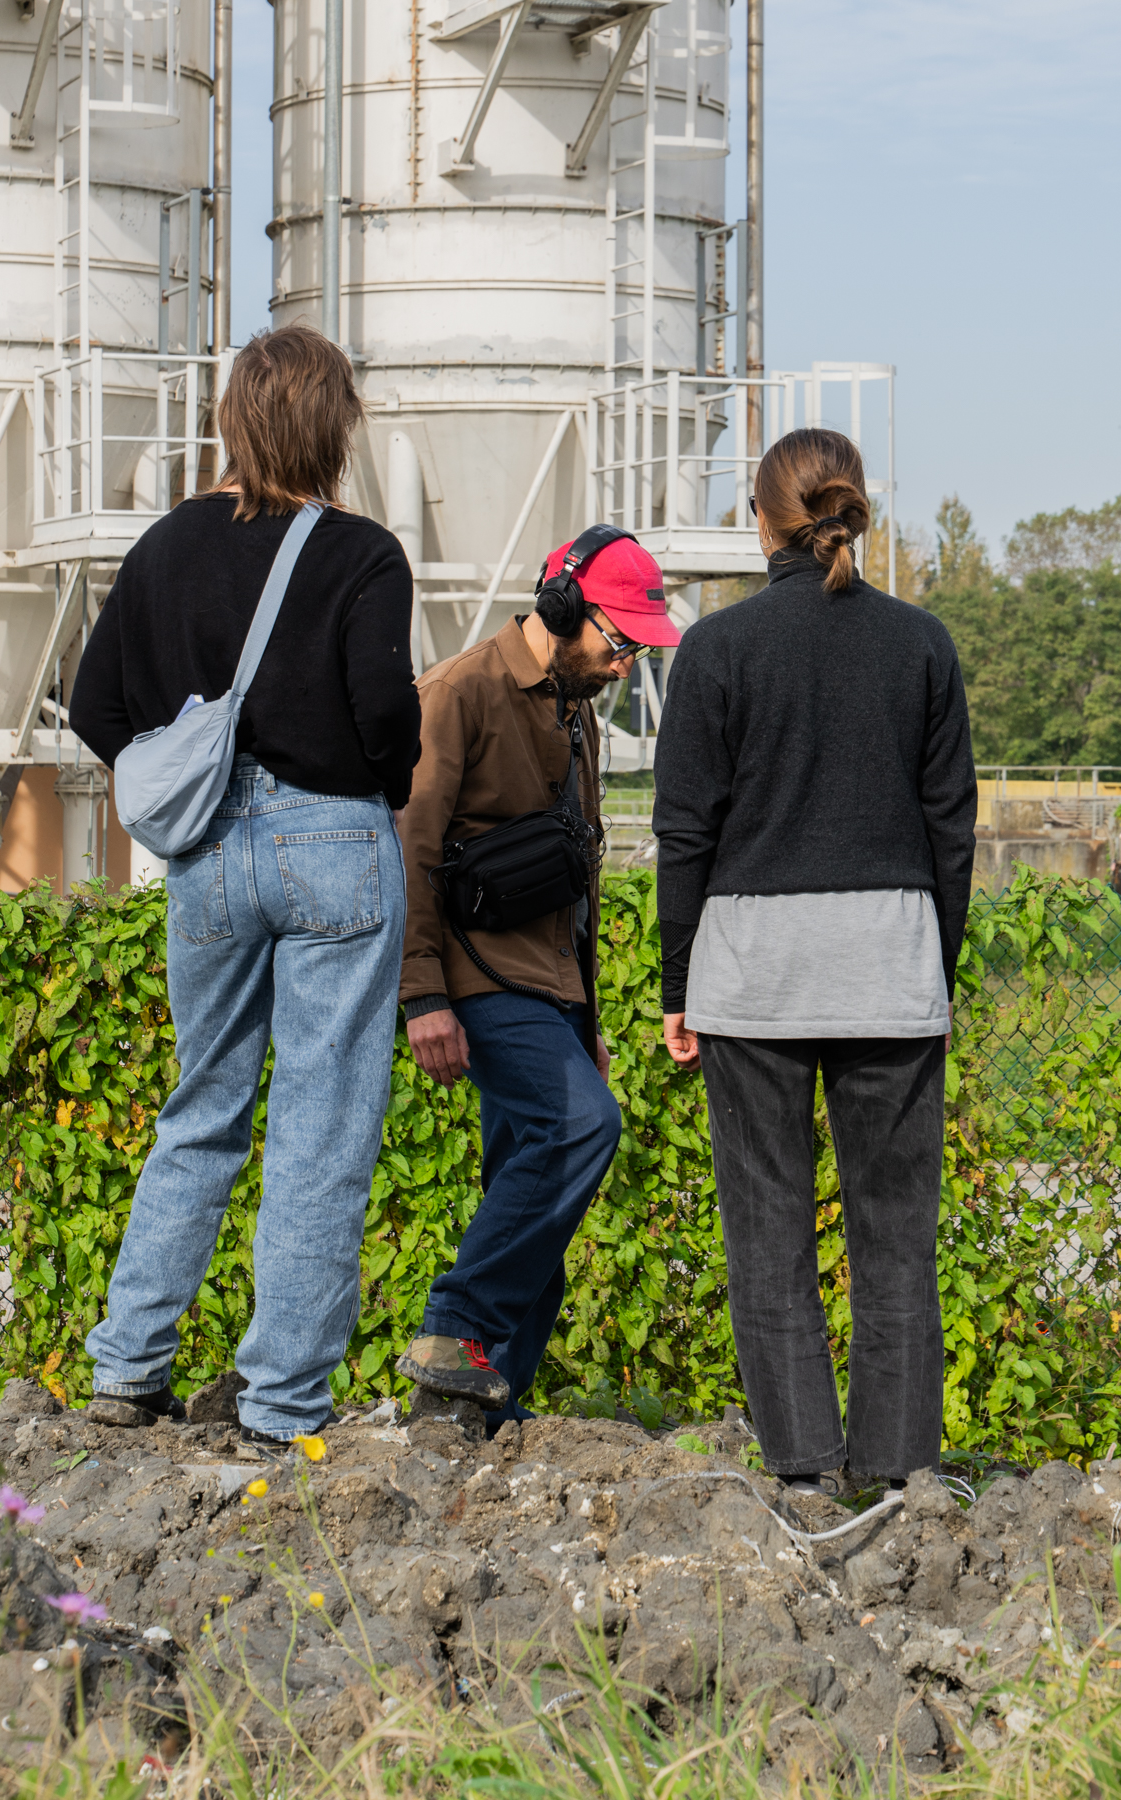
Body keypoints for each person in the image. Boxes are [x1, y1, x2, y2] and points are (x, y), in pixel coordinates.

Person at [69, 324, 422, 1457]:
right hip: (335, 846)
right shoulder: (364, 554)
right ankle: (279, 1406)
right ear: (337, 428)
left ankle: (128, 1365)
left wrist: (181, 767)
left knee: (201, 1108)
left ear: (231, 420)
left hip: (209, 855)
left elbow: (92, 705)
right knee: (320, 1129)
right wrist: (383, 778)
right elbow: (384, 713)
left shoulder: (164, 548)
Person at [653, 428, 977, 1494]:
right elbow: (951, 830)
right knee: (896, 1240)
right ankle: (894, 1477)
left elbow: (685, 833)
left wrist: (676, 984)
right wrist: (936, 964)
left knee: (769, 1232)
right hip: (891, 967)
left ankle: (800, 1473)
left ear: (762, 522)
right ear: (854, 513)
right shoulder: (922, 645)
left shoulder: (717, 649)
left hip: (752, 976)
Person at [395, 528, 681, 1432]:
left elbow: (579, 876)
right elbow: (407, 849)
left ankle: (475, 1407)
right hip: (479, 983)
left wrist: (586, 1016)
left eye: (638, 646)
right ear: (561, 609)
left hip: (550, 991)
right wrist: (422, 995)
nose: (625, 662)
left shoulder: (575, 705)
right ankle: (455, 1330)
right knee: (580, 1128)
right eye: (618, 639)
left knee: (533, 1201)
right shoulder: (459, 693)